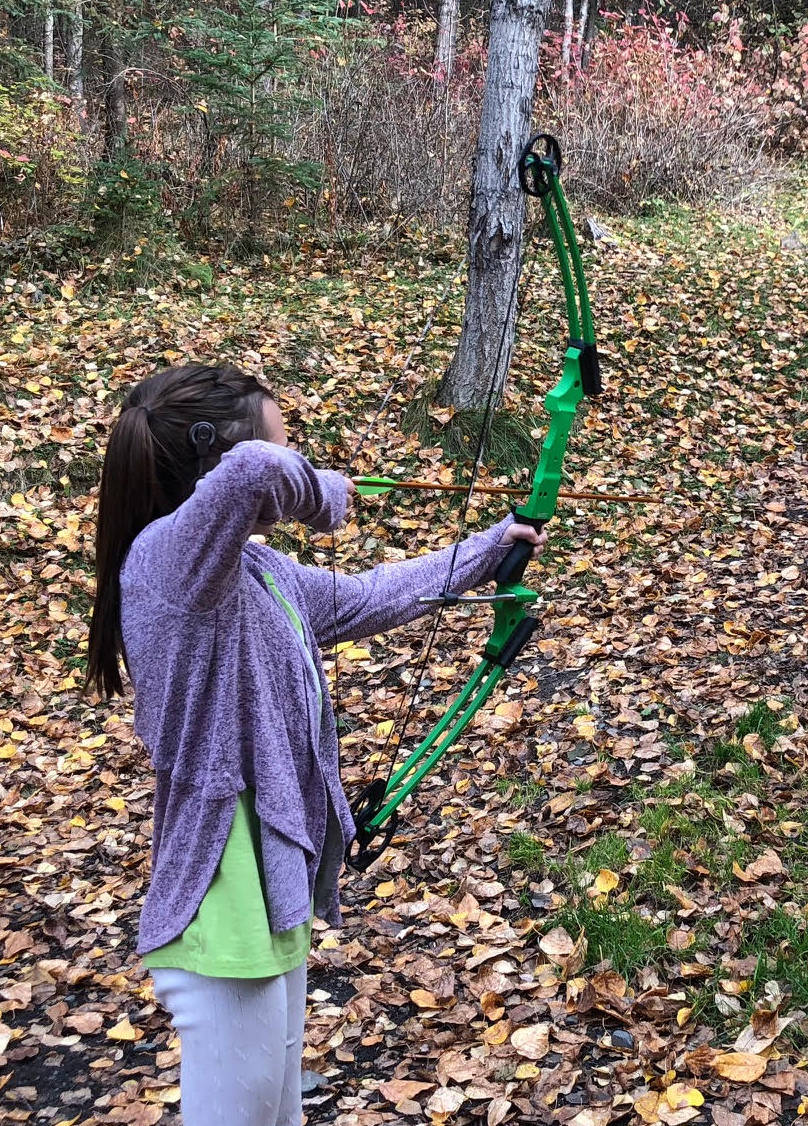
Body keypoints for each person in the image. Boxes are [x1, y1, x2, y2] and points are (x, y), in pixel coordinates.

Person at [86, 363, 548, 1126]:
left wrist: (492, 547)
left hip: (271, 878)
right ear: (217, 454)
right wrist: (322, 492)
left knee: (278, 1115)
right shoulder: (164, 564)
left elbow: (372, 595)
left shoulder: (258, 570)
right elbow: (256, 471)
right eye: (287, 438)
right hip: (217, 892)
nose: (294, 451)